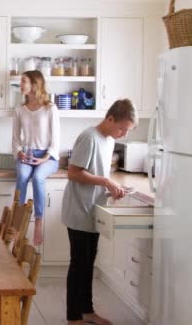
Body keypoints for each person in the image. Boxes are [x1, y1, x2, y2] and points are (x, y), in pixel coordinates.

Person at [62, 99, 138, 325]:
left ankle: (87, 311)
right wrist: (106, 181)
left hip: (93, 210)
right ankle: (73, 317)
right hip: (79, 211)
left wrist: (113, 186)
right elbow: (73, 173)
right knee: (79, 265)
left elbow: (98, 173)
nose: (124, 133)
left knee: (88, 264)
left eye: (128, 130)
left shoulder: (109, 140)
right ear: (110, 118)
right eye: (122, 128)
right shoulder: (89, 137)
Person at [12, 70, 60, 246]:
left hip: (48, 157)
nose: (21, 85)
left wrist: (45, 158)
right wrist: (19, 152)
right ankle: (18, 221)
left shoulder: (50, 108)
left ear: (35, 84)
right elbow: (15, 139)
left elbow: (56, 141)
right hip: (26, 155)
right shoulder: (19, 109)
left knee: (38, 177)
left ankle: (38, 220)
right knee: (23, 176)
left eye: (23, 81)